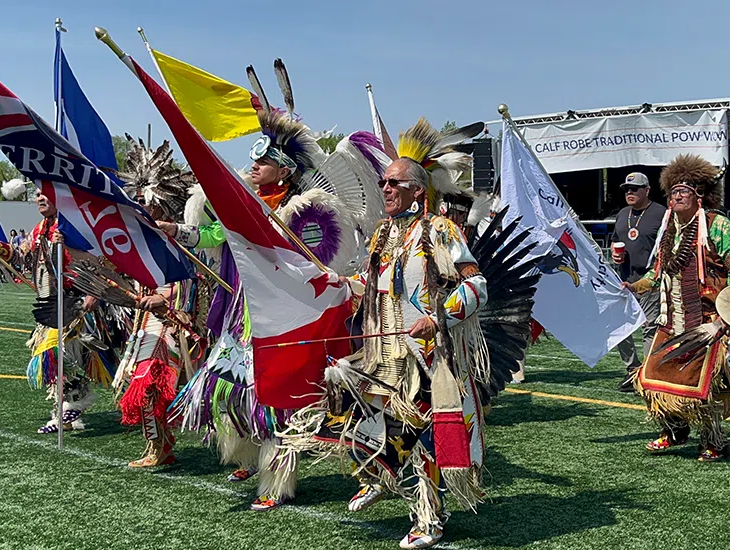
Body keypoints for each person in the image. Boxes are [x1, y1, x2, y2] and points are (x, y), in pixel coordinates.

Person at [285, 118, 493, 549]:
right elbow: (373, 285)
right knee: (348, 393)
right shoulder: (382, 235)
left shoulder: (440, 230)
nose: (386, 189)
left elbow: (477, 285)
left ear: (419, 189)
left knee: (420, 439)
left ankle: (429, 520)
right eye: (383, 183)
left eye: (395, 183)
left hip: (426, 357)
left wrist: (439, 317)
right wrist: (339, 283)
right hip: (383, 354)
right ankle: (377, 474)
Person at [161, 111, 383, 509]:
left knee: (278, 394)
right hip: (243, 315)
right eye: (254, 161)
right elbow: (219, 235)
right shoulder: (248, 208)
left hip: (286, 318)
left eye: (262, 162)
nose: (254, 167)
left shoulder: (306, 210)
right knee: (232, 389)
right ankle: (245, 455)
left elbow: (316, 263)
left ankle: (277, 479)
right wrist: (179, 232)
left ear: (284, 170)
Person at [624, 154, 730, 462]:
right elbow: (657, 272)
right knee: (652, 378)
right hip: (671, 320)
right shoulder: (668, 229)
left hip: (708, 322)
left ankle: (714, 441)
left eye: (686, 189)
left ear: (701, 195)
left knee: (704, 385)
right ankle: (674, 430)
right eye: (673, 190)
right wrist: (634, 286)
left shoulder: (717, 224)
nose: (678, 194)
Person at [0, 187, 123, 434]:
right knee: (59, 360)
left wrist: (94, 292)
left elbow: (103, 260)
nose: (40, 198)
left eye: (46, 193)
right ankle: (68, 411)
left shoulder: (77, 226)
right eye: (37, 193)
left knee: (59, 354)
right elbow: (21, 256)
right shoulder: (40, 230)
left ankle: (80, 402)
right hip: (52, 306)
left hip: (77, 302)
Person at [114, 137, 206, 468]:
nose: (140, 206)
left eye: (146, 202)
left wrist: (161, 299)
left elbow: (194, 280)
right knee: (141, 382)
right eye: (136, 200)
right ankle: (159, 446)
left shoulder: (179, 237)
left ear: (162, 204)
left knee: (150, 381)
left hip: (174, 323)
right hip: (146, 321)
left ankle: (161, 448)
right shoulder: (138, 239)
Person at [611, 172, 666, 392]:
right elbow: (616, 240)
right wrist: (616, 255)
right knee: (620, 328)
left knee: (649, 327)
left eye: (634, 189)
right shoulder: (623, 213)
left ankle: (648, 373)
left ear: (647, 190)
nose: (630, 193)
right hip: (624, 279)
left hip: (650, 279)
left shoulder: (660, 213)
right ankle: (633, 370)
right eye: (626, 190)